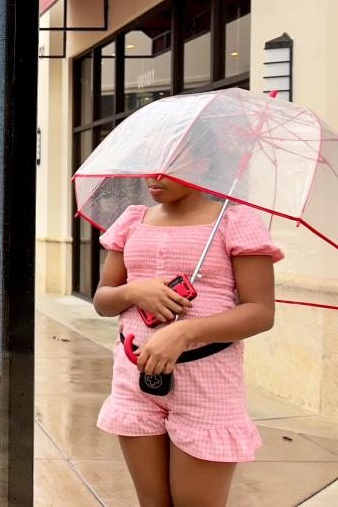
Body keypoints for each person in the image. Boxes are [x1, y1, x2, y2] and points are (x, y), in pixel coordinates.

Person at [92, 176, 282, 507]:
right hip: (135, 380)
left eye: (169, 168)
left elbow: (261, 312)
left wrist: (183, 332)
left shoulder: (234, 222)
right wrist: (134, 291)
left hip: (205, 384)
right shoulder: (133, 219)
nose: (154, 177)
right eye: (153, 166)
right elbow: (103, 301)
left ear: (203, 164)